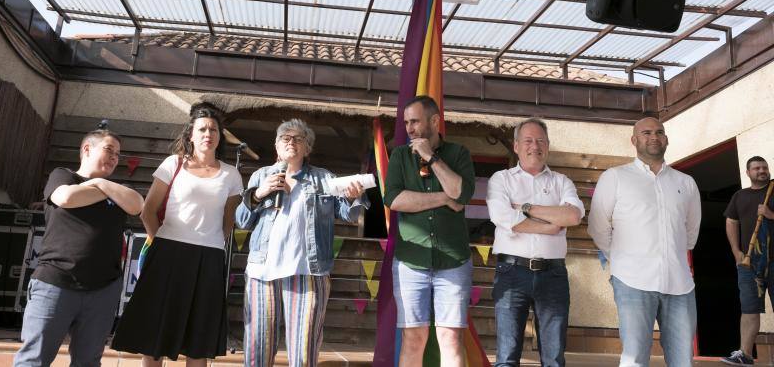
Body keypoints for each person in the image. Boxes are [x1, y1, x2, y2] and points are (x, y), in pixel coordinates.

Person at [112, 105, 243, 366]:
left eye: (214, 129)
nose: (209, 133)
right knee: (156, 334)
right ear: (191, 135)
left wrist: (209, 242)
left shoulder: (231, 174)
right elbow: (148, 210)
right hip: (167, 253)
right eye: (202, 129)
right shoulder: (173, 163)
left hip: (209, 258)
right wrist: (159, 242)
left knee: (199, 339)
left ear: (220, 136)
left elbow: (229, 222)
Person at [235, 118, 369, 367]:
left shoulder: (323, 178)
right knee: (258, 348)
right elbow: (242, 221)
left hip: (308, 273)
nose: (291, 142)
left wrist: (353, 197)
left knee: (304, 350)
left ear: (307, 148)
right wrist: (258, 193)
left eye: (298, 138)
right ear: (276, 146)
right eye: (285, 137)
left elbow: (347, 214)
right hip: (262, 273)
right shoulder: (261, 175)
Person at [14, 128, 143, 367]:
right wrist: (103, 188)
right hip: (55, 283)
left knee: (88, 362)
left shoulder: (114, 187)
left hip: (103, 290)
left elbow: (137, 205)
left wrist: (101, 183)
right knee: (34, 360)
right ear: (86, 149)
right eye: (109, 150)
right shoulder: (63, 175)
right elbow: (66, 198)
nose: (114, 157)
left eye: (117, 154)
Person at [587, 117, 701, 367]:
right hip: (632, 282)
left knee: (684, 361)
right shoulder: (615, 177)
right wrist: (621, 257)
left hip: (679, 285)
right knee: (635, 359)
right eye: (646, 132)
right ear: (634, 140)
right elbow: (598, 227)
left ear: (667, 139)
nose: (654, 137)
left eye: (659, 132)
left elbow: (690, 233)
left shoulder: (686, 183)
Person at [383, 95, 476, 367]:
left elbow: (460, 193)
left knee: (450, 338)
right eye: (406, 123)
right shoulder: (400, 156)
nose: (409, 128)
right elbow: (395, 200)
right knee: (414, 338)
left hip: (453, 260)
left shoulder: (459, 154)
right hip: (411, 261)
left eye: (415, 121)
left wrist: (431, 157)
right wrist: (443, 198)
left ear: (435, 121)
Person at [486, 117, 584, 367]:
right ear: (516, 146)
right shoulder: (502, 179)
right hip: (511, 272)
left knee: (553, 358)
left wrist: (526, 208)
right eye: (528, 140)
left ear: (548, 146)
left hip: (553, 275)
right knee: (507, 357)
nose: (535, 146)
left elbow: (572, 215)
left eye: (541, 140)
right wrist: (550, 223)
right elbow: (502, 216)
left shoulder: (562, 181)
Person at [722, 156, 774, 366]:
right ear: (748, 172)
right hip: (749, 263)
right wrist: (736, 251)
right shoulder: (739, 196)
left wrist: (771, 214)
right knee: (749, 309)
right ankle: (745, 354)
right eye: (756, 168)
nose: (761, 170)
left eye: (764, 167)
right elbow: (731, 221)